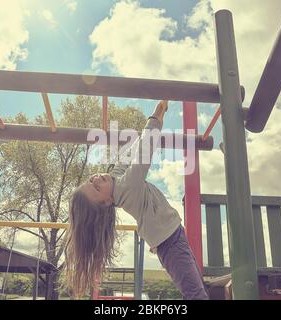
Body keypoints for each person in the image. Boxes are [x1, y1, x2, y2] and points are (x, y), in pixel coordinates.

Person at [65, 100, 209, 300]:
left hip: (172, 236)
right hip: (170, 241)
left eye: (92, 179)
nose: (97, 178)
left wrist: (134, 138)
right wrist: (156, 115)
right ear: (107, 202)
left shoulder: (116, 182)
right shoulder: (128, 187)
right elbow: (143, 152)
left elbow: (125, 160)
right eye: (96, 187)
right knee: (195, 294)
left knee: (196, 287)